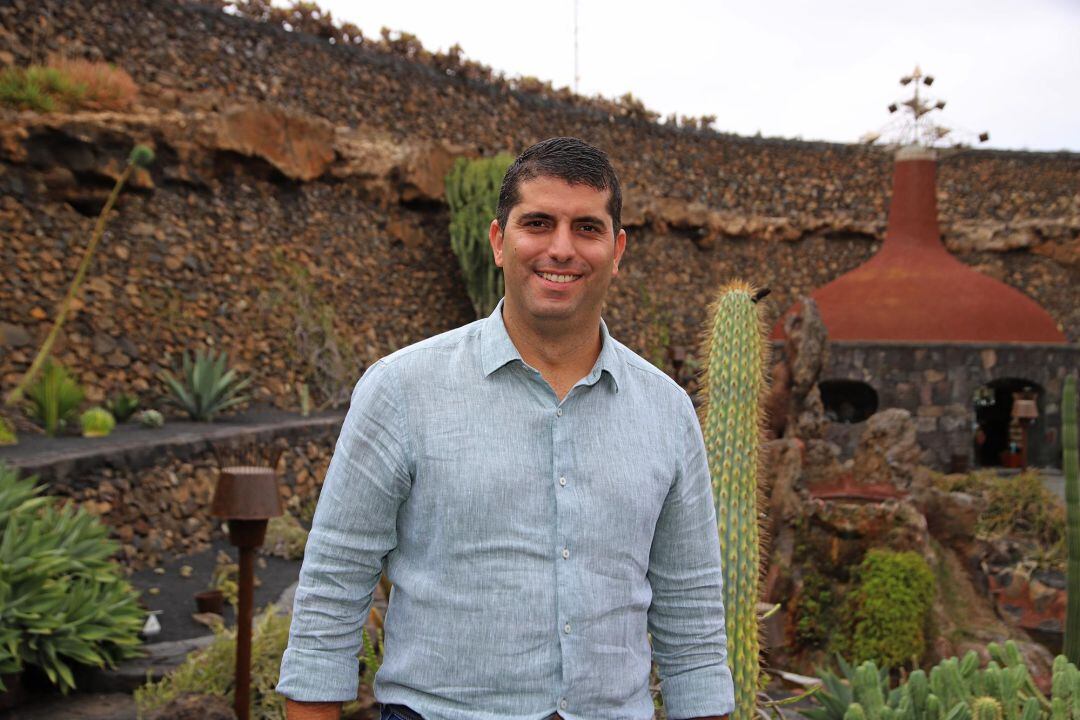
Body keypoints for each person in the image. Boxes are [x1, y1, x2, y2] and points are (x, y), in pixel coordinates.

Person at [278, 137, 734, 720]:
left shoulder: (666, 411)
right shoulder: (402, 390)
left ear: (617, 250)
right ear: (499, 240)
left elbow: (690, 615)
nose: (561, 249)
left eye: (587, 228)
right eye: (538, 223)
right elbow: (332, 590)